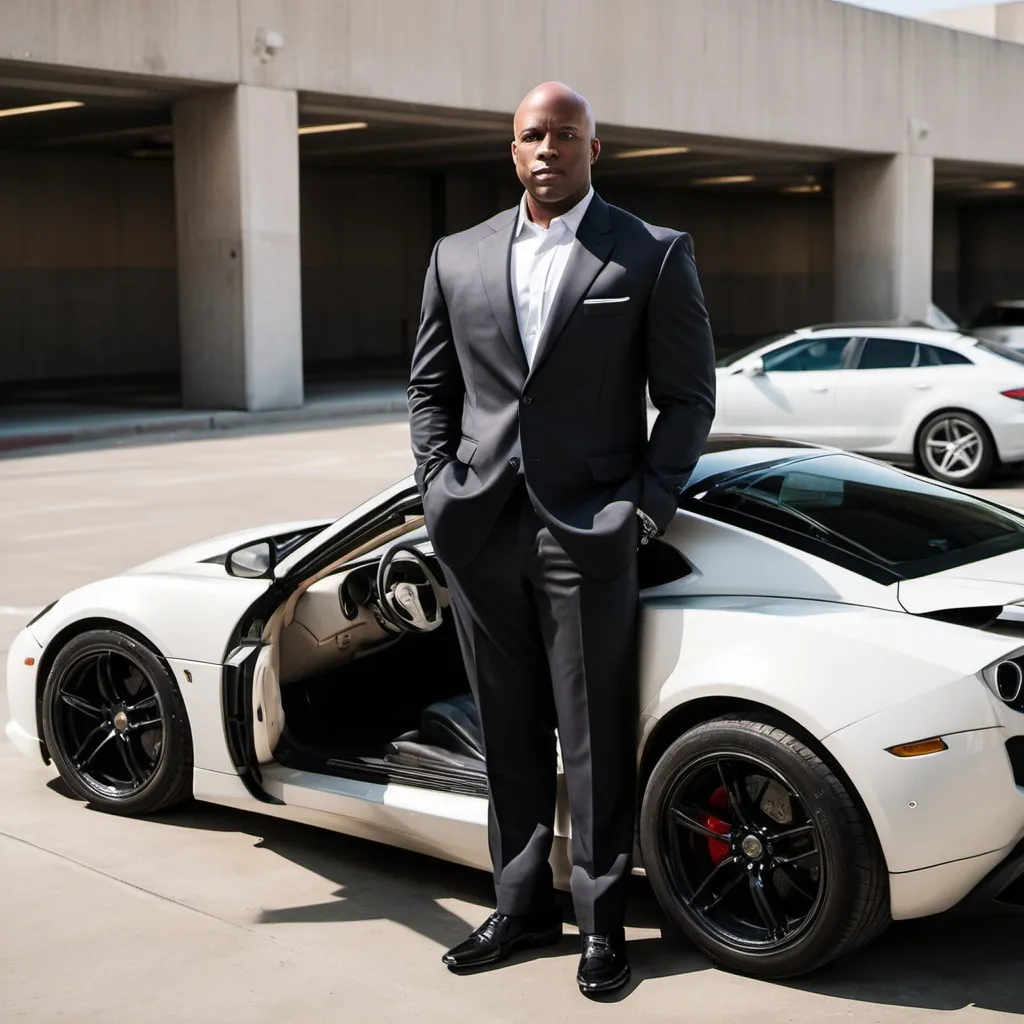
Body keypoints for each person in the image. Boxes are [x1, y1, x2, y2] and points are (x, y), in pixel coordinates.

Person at [407, 81, 716, 996]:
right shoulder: (455, 257)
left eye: (566, 134)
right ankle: (518, 906)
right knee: (503, 731)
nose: (548, 148)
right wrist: (437, 489)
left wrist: (645, 510)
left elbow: (690, 400)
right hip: (480, 530)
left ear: (594, 147)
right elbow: (432, 389)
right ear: (513, 151)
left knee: (593, 736)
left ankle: (602, 924)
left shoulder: (652, 253)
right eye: (533, 135)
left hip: (591, 533)